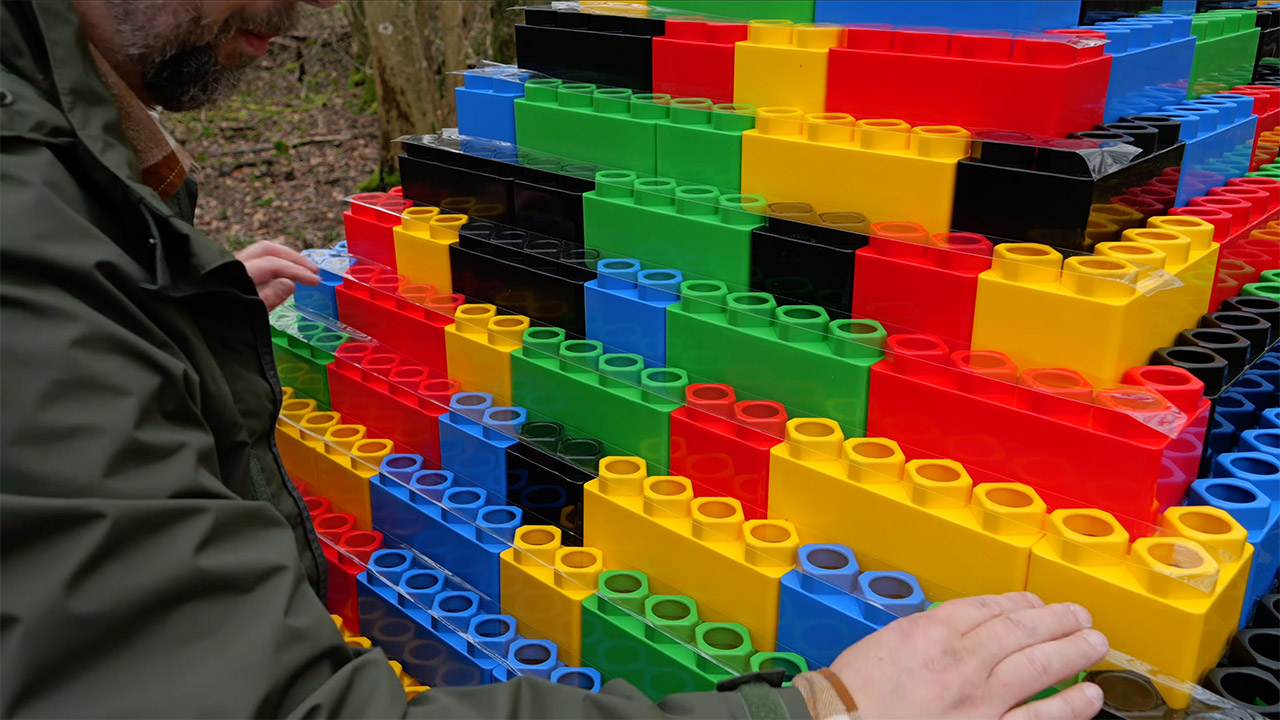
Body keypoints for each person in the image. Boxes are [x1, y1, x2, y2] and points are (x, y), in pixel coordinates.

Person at [0, 1, 1111, 717]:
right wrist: (818, 709)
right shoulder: (27, 231)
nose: (317, 10)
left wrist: (163, 316)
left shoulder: (70, 178)